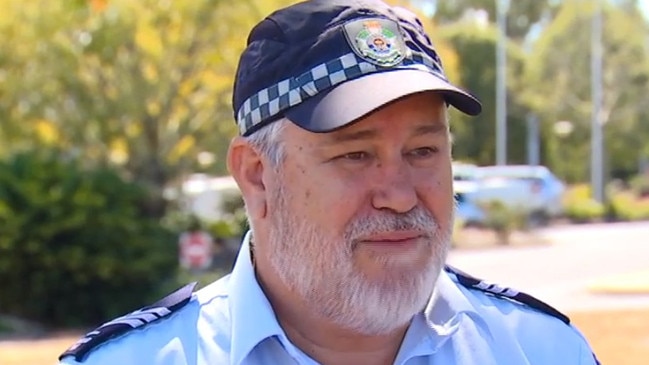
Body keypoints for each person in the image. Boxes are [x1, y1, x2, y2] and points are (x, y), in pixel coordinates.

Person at [59, 0, 601, 364]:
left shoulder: (540, 351)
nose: (400, 193)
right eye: (356, 154)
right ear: (256, 175)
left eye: (423, 151)